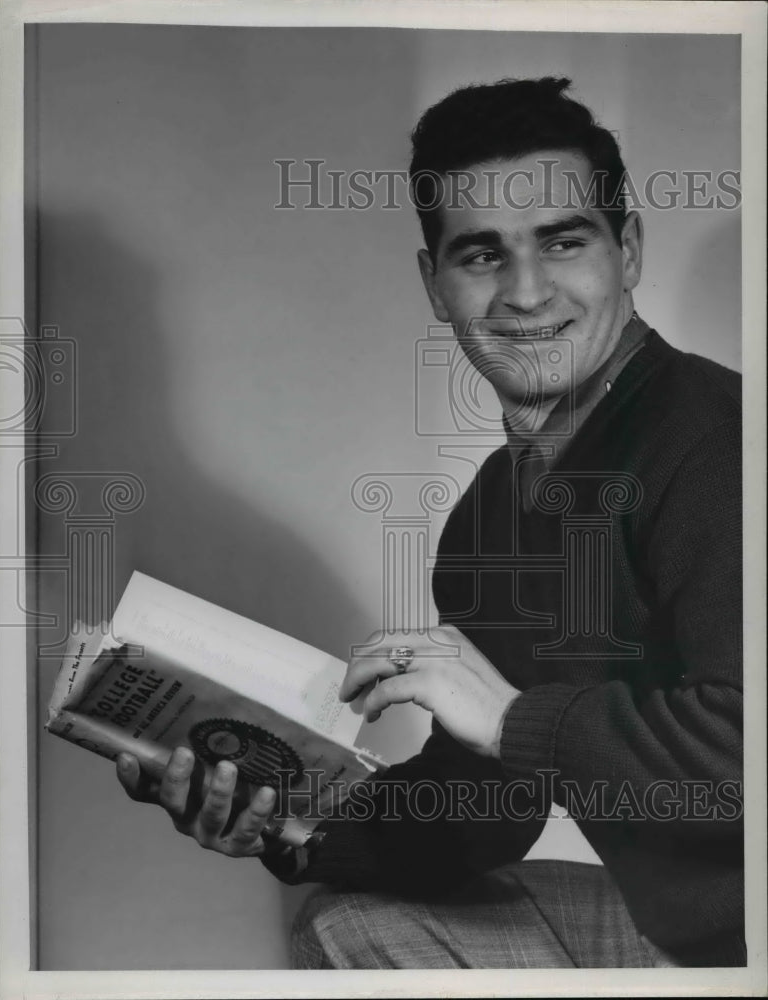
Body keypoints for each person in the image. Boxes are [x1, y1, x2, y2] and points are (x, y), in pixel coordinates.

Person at [116, 77, 744, 969]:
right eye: (482, 255)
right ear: (434, 282)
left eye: (563, 241)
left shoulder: (722, 447)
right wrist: (290, 812)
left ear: (629, 248)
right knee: (350, 923)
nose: (527, 294)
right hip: (691, 936)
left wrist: (517, 719)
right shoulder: (492, 512)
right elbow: (483, 807)